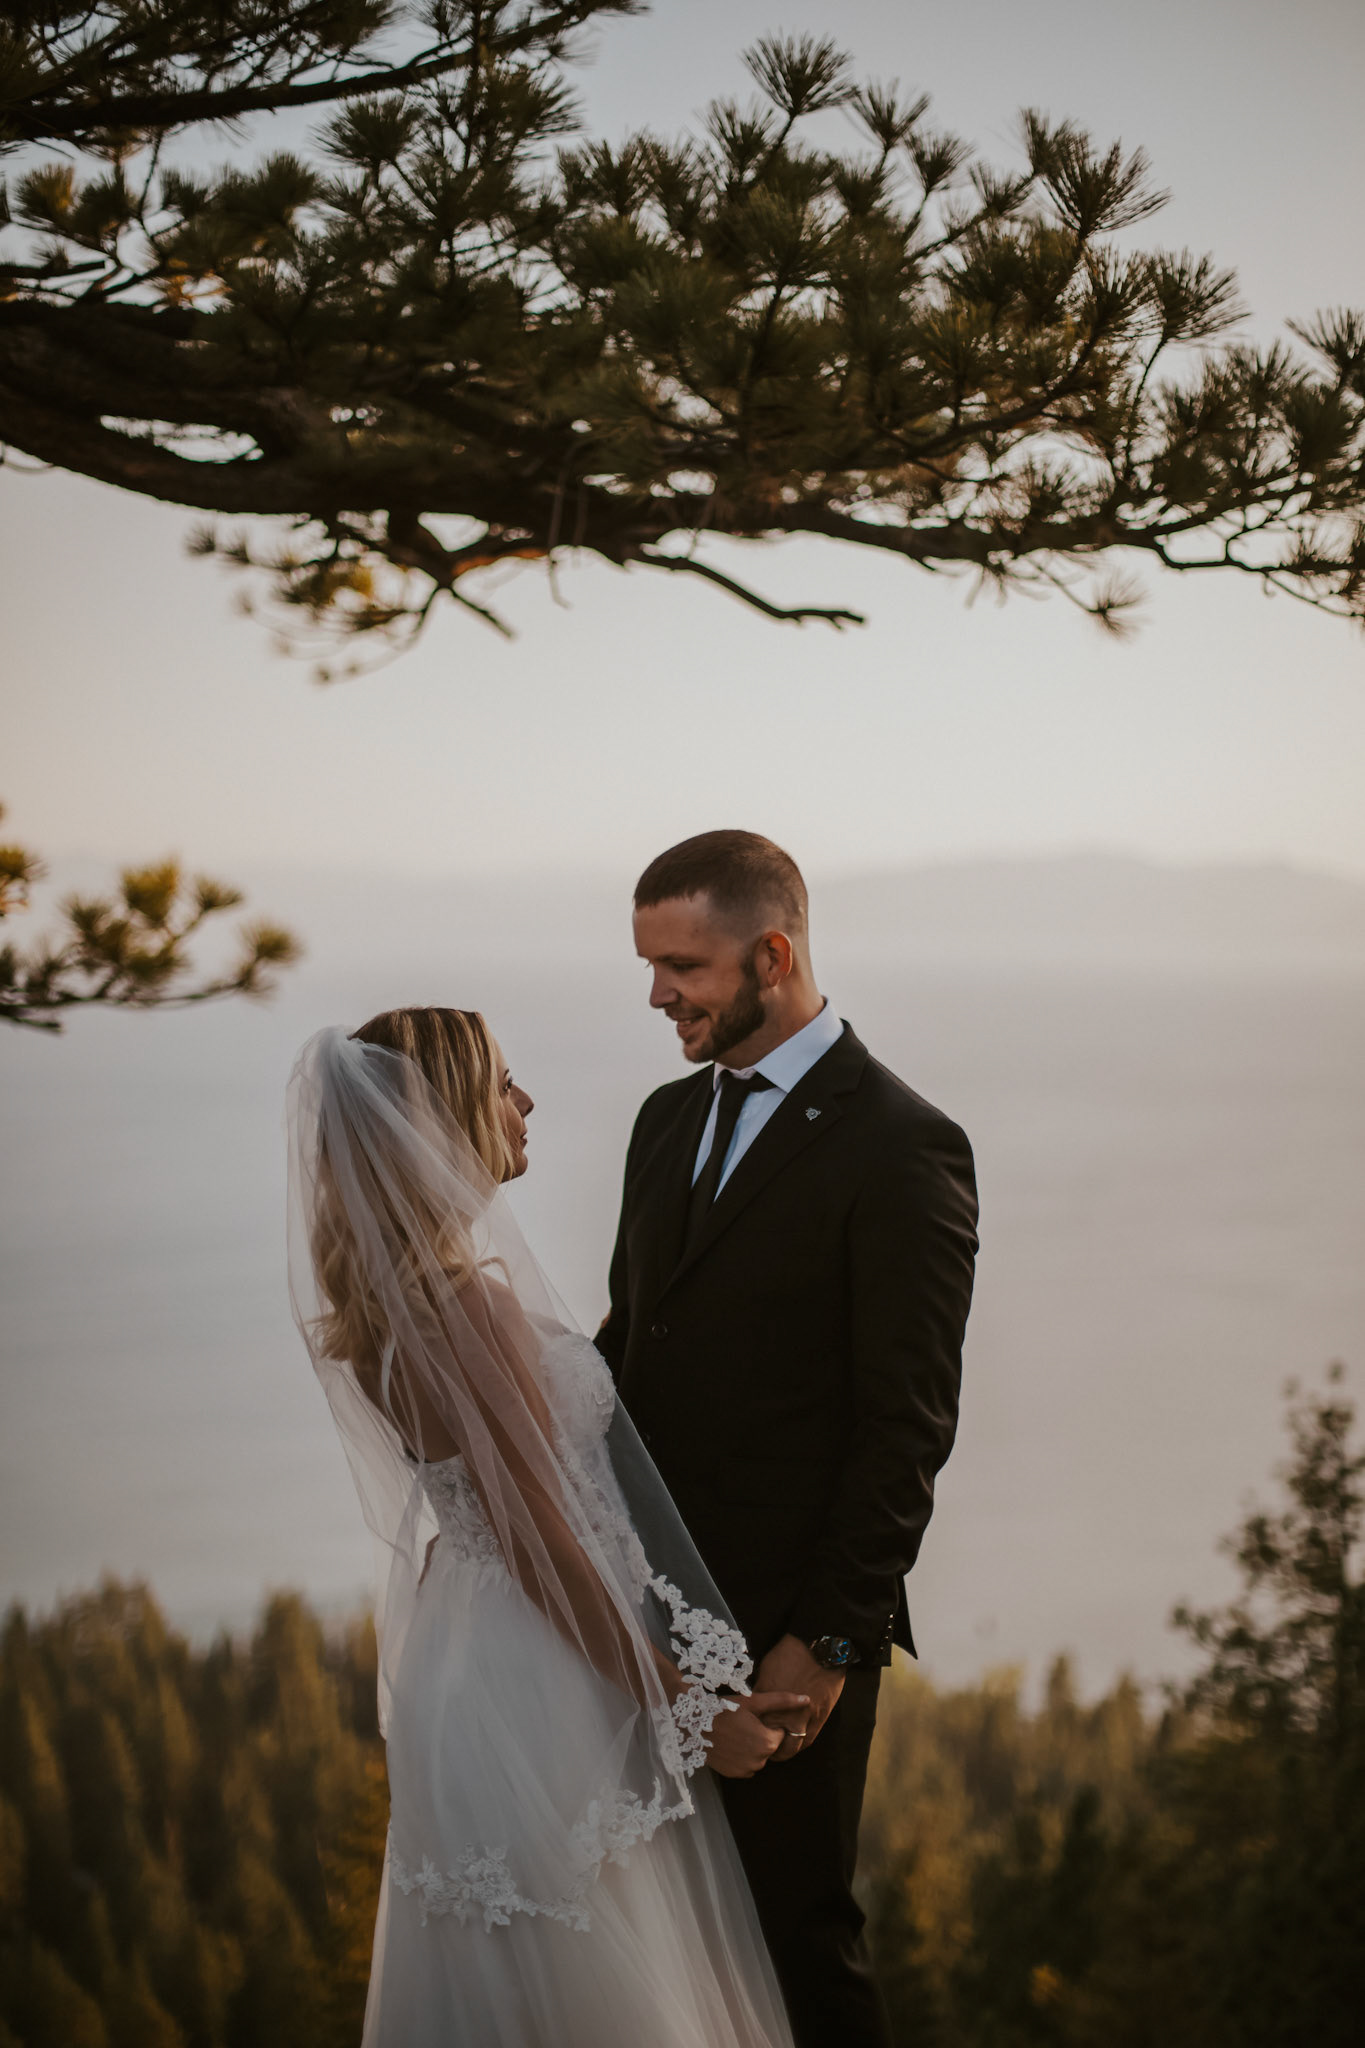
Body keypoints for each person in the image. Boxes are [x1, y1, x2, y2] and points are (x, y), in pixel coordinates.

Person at [287, 1006, 805, 2048]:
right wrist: (690, 1705)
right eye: (504, 1084)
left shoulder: (388, 1309)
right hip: (540, 1666)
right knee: (599, 1970)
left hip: (466, 1653)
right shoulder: (471, 1304)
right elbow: (541, 1542)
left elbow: (477, 1512)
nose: (525, 1104)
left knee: (508, 1976)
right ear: (441, 1123)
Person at [598, 831, 979, 2048]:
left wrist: (826, 1639)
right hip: (637, 1629)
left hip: (782, 1643)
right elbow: (630, 1357)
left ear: (775, 951)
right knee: (658, 1940)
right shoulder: (664, 1121)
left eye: (684, 965)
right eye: (652, 962)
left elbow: (906, 1423)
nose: (659, 992)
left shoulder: (903, 1143)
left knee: (794, 1940)